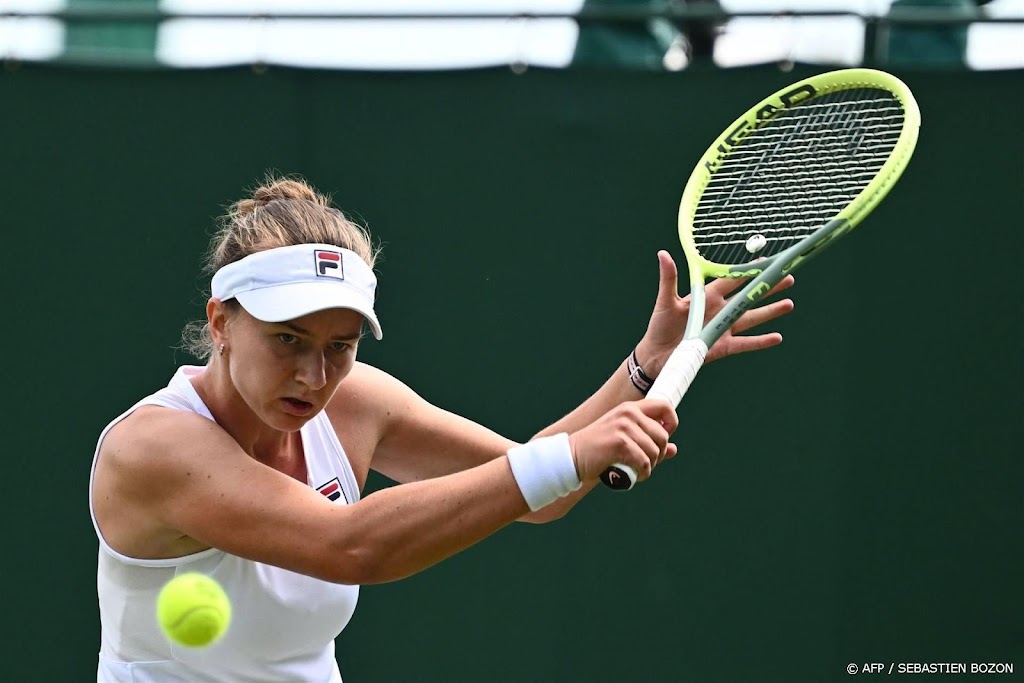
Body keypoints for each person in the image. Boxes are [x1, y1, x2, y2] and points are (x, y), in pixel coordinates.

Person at [89, 176, 794, 682]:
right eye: (288, 339)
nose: (314, 374)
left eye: (340, 345)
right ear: (221, 323)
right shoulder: (154, 448)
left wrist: (643, 368)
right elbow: (351, 545)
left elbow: (541, 488)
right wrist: (576, 452)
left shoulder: (354, 402)